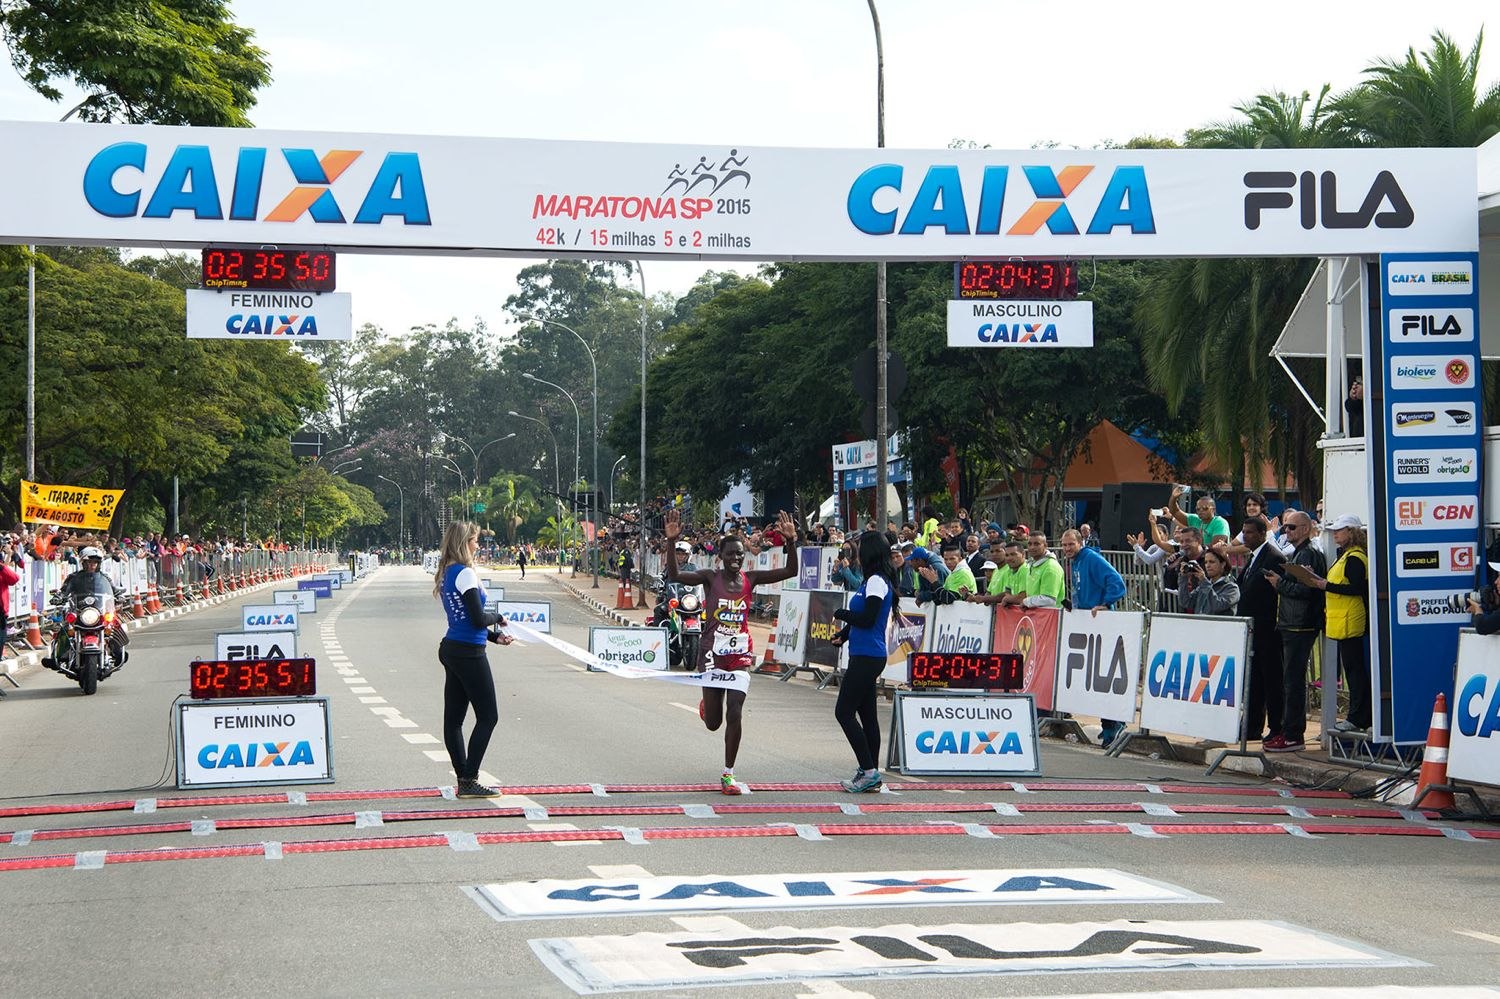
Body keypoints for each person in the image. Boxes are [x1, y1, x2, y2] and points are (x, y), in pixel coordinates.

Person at [664, 507, 800, 795]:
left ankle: (728, 774)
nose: (736, 558)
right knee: (714, 723)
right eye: (731, 554)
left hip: (739, 655)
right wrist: (670, 541)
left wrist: (791, 542)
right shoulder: (710, 578)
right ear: (721, 557)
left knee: (735, 711)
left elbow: (790, 571)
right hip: (712, 654)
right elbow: (674, 575)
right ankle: (706, 708)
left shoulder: (752, 579)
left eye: (740, 554)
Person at [433, 521, 512, 798]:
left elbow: (465, 620)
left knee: (454, 720)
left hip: (453, 647)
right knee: (488, 716)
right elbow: (478, 618)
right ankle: (469, 778)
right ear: (464, 542)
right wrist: (499, 619)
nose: (478, 545)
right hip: (468, 652)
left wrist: (494, 637)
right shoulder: (465, 573)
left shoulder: (447, 572)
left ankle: (464, 778)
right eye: (475, 540)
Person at [829, 531, 904, 793]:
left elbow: (868, 618)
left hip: (869, 656)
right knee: (867, 715)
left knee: (843, 712)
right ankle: (870, 770)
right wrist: (844, 635)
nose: (856, 553)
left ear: (870, 551)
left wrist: (841, 613)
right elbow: (861, 619)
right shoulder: (870, 581)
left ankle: (869, 771)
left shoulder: (876, 582)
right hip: (864, 653)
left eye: (859, 548)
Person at [1261, 510, 1325, 753]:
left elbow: (1308, 589)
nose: (1286, 531)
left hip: (1300, 623)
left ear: (1306, 529)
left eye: (1292, 527)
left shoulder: (1308, 553)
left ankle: (1292, 735)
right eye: (1285, 527)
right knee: (1290, 680)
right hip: (1292, 622)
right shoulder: (1300, 552)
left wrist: (1279, 583)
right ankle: (1289, 731)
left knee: (1293, 682)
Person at [1059, 529, 1127, 744]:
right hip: (1088, 627)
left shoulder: (1092, 558)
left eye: (1071, 544)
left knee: (1104, 677)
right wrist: (1076, 607)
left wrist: (1106, 604)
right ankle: (1108, 726)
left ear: (1080, 543)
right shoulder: (1077, 561)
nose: (1067, 549)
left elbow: (1117, 582)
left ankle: (1114, 725)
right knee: (1093, 679)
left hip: (1102, 626)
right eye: (1064, 545)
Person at [1305, 514, 1370, 732]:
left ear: (1351, 532)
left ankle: (1358, 717)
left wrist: (1326, 586)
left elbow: (1357, 589)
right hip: (1343, 622)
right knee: (1353, 672)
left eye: (1339, 530)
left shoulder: (1354, 557)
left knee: (1355, 672)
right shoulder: (1346, 555)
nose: (1335, 533)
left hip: (1352, 622)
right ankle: (1358, 716)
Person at [1237, 517, 1286, 744]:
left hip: (1268, 630)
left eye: (1249, 532)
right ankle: (1253, 726)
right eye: (1244, 532)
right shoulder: (1253, 558)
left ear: (1262, 534)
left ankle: (1277, 726)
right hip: (1252, 630)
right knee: (1255, 680)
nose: (1245, 536)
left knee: (1271, 680)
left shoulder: (1273, 558)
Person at [1183, 547, 1240, 615]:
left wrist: (1204, 581)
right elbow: (1186, 602)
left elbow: (1216, 606)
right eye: (1206, 562)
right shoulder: (1203, 585)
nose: (1208, 565)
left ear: (1223, 564)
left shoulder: (1232, 588)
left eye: (1212, 562)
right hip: (1200, 624)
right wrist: (1183, 578)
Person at [1166, 487, 1230, 547]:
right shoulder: (1195, 519)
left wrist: (1192, 547)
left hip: (1214, 557)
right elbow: (1175, 512)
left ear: (1213, 509)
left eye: (1205, 508)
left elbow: (1215, 546)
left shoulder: (1220, 522)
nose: (1201, 511)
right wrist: (1173, 498)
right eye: (1198, 509)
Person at [1019, 532, 1066, 608]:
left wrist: (1026, 602)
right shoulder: (1032, 564)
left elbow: (1049, 600)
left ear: (1045, 546)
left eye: (1036, 544)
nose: (1032, 547)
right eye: (1029, 544)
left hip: (1051, 617)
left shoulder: (1051, 567)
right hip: (1036, 617)